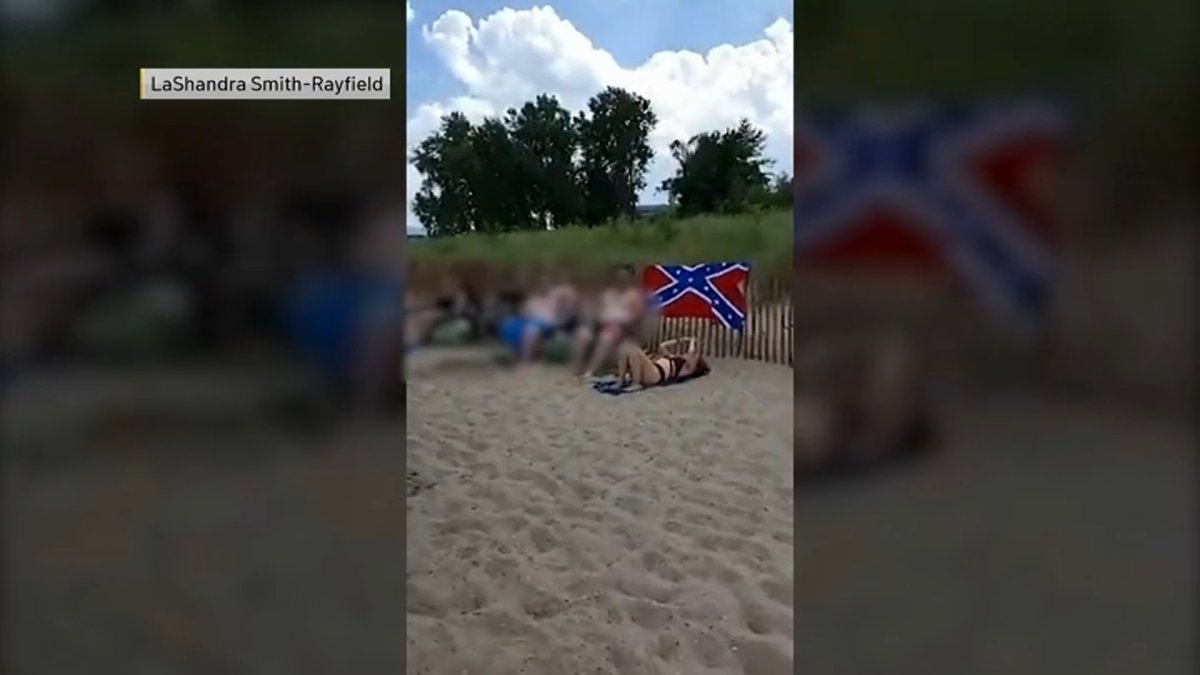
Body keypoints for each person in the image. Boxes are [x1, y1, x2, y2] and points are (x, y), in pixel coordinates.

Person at [578, 265, 648, 377]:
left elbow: (635, 319)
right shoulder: (608, 293)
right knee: (583, 335)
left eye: (624, 277)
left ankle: (590, 371)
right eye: (619, 277)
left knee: (605, 338)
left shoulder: (634, 296)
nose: (621, 280)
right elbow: (598, 310)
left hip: (621, 328)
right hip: (601, 324)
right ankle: (577, 368)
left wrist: (617, 322)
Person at [613, 336, 710, 390]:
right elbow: (662, 346)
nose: (691, 355)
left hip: (655, 374)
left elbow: (691, 352)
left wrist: (692, 341)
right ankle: (621, 381)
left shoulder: (687, 368)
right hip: (651, 369)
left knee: (634, 349)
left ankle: (636, 383)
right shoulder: (673, 358)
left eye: (695, 358)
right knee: (625, 348)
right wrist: (678, 341)